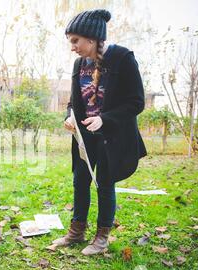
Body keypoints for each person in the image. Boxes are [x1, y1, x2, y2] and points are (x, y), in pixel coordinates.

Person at [52, 9, 147, 255]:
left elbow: (136, 102)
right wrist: (69, 117)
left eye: (75, 40)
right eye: (70, 41)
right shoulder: (79, 64)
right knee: (80, 181)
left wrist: (104, 119)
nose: (72, 47)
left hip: (112, 135)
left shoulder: (122, 58)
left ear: (92, 38)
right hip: (85, 136)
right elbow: (74, 101)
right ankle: (76, 232)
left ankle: (101, 238)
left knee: (105, 183)